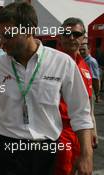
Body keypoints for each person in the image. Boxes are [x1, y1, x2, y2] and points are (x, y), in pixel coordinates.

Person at [0, 2, 93, 175]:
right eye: (1, 35)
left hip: (46, 152)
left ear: (29, 30)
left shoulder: (62, 63)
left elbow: (80, 112)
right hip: (7, 151)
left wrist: (87, 154)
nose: (3, 42)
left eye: (9, 35)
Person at [54, 17, 98, 175]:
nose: (71, 37)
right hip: (59, 133)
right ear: (60, 37)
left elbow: (88, 102)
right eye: (66, 33)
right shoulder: (51, 62)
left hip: (80, 133)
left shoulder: (84, 65)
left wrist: (92, 129)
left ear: (84, 37)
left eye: (76, 33)